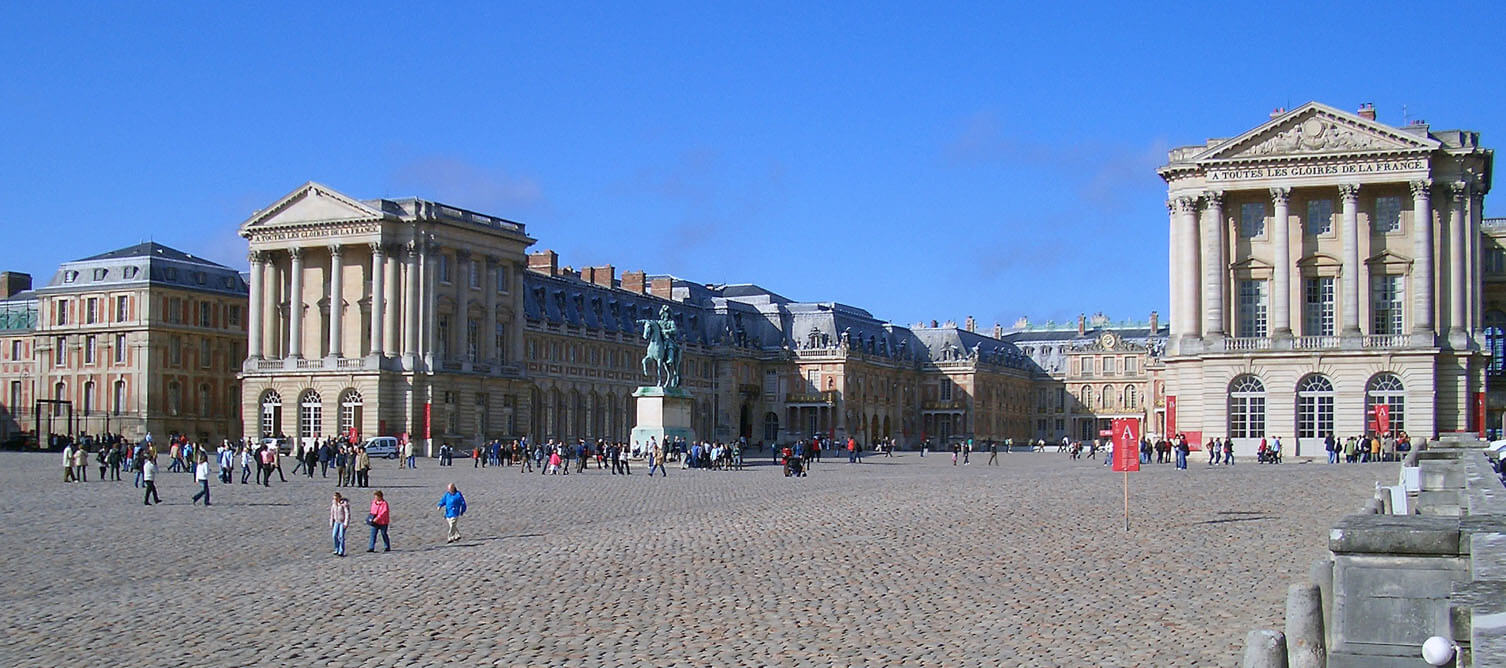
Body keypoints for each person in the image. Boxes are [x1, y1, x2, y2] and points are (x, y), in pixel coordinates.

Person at [329, 492, 350, 557]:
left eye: (336, 498)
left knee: (341, 536)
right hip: (336, 522)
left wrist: (346, 523)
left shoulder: (344, 504)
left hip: (342, 522)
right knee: (334, 535)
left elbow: (347, 514)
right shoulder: (334, 504)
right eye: (334, 498)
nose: (335, 500)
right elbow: (332, 513)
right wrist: (331, 522)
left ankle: (341, 550)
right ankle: (336, 548)